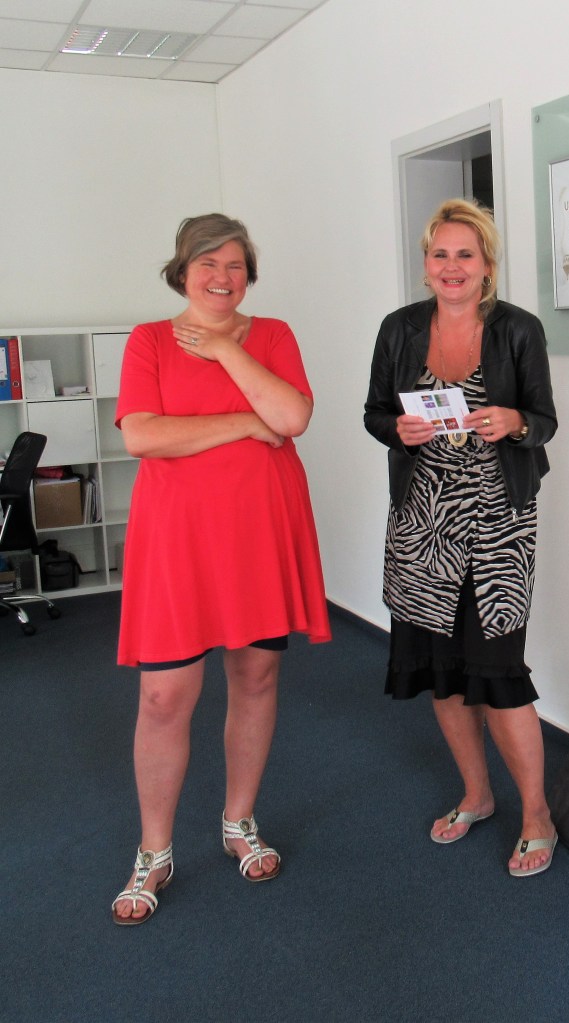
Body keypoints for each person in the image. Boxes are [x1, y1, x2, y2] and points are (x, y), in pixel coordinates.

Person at [112, 213, 331, 925]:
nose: (221, 276)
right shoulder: (149, 340)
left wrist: (225, 349)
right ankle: (154, 850)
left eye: (235, 264)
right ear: (183, 271)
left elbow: (291, 417)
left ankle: (239, 819)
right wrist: (242, 423)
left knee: (256, 676)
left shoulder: (272, 335)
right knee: (163, 696)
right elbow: (143, 435)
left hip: (258, 533)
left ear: (248, 274)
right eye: (207, 263)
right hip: (177, 540)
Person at [364, 198, 558, 877]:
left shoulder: (518, 329)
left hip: (499, 525)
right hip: (422, 525)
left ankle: (537, 814)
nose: (452, 267)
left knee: (499, 675)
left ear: (486, 265)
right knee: (443, 673)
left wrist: (515, 422)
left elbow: (544, 418)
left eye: (465, 255)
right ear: (426, 264)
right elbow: (375, 413)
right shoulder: (399, 329)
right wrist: (397, 429)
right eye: (440, 254)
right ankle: (477, 794)